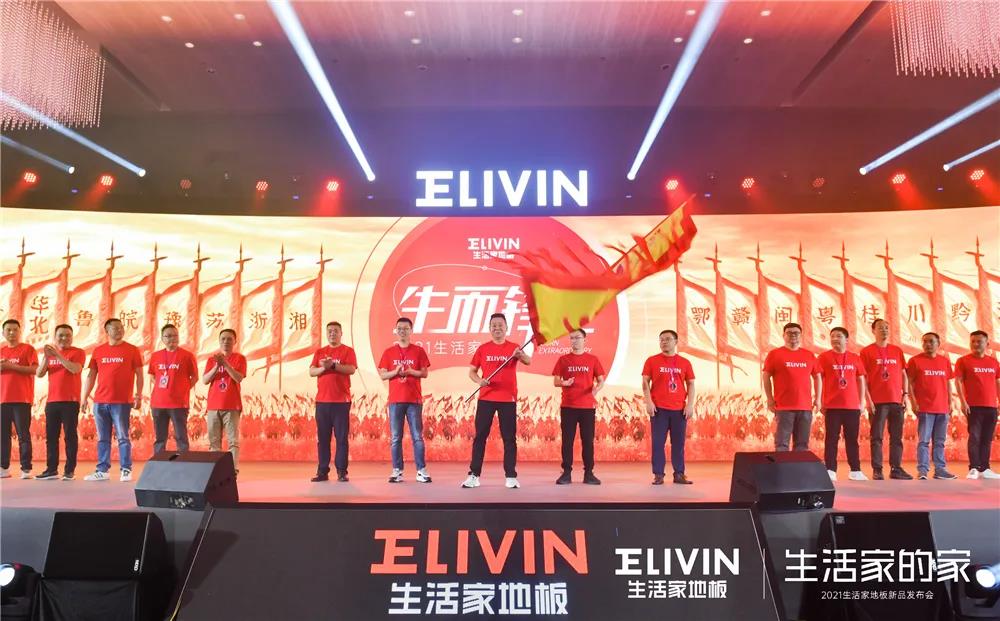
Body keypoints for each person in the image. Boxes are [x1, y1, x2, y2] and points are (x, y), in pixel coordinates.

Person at [463, 313, 531, 489]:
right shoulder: (483, 349)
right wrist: (480, 381)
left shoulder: (514, 347)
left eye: (500, 325)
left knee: (509, 438)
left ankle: (511, 476)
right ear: (489, 328)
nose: (497, 328)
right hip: (486, 398)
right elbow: (472, 372)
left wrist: (519, 355)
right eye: (494, 325)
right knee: (480, 437)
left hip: (508, 399)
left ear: (506, 328)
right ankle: (474, 475)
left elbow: (528, 361)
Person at [81, 318, 144, 482]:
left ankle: (126, 469)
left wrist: (138, 395)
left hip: (121, 402)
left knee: (123, 437)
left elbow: (139, 374)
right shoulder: (98, 351)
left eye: (121, 327)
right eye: (115, 328)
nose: (119, 330)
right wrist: (84, 397)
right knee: (103, 438)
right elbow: (91, 375)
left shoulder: (132, 350)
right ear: (107, 331)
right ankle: (102, 470)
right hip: (100, 401)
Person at [377, 317, 431, 483]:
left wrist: (410, 371)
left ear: (411, 331)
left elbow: (424, 373)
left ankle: (421, 470)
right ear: (396, 330)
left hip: (414, 400)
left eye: (405, 328)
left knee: (417, 437)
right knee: (395, 438)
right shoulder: (389, 352)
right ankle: (397, 471)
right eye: (399, 328)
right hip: (395, 400)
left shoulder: (418, 351)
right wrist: (395, 372)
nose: (402, 331)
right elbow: (383, 375)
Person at [860, 318, 912, 480]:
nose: (884, 330)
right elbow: (863, 378)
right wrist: (868, 400)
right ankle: (877, 469)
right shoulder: (866, 352)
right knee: (877, 437)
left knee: (896, 437)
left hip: (896, 400)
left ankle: (896, 468)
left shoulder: (897, 350)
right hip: (877, 402)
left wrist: (905, 395)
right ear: (873, 330)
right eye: (881, 328)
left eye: (886, 328)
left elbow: (903, 374)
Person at [552, 328, 605, 485]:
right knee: (567, 441)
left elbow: (601, 380)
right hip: (568, 406)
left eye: (577, 338)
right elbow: (556, 381)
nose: (574, 340)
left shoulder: (592, 359)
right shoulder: (563, 359)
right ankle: (566, 473)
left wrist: (595, 390)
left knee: (587, 441)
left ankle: (589, 473)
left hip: (587, 407)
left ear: (584, 340)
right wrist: (564, 382)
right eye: (572, 338)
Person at [642, 329, 695, 485]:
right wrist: (649, 402)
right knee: (658, 443)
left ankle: (679, 474)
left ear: (676, 342)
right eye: (661, 340)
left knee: (678, 444)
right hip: (659, 409)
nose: (664, 342)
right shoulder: (652, 361)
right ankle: (658, 474)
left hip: (679, 410)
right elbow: (645, 382)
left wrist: (690, 405)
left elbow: (691, 384)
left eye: (667, 339)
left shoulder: (685, 362)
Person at [35, 324, 85, 480]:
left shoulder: (78, 352)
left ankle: (69, 470)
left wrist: (57, 355)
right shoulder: (50, 355)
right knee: (51, 437)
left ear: (72, 337)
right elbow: (39, 373)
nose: (64, 338)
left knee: (70, 436)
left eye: (68, 335)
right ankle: (51, 469)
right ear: (55, 337)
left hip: (70, 401)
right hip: (52, 402)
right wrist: (46, 357)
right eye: (61, 335)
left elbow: (74, 369)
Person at [817, 327, 867, 481]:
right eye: (832, 336)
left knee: (852, 439)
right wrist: (820, 401)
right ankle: (830, 469)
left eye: (838, 336)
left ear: (846, 340)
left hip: (852, 406)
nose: (835, 339)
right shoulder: (823, 357)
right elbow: (819, 379)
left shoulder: (855, 357)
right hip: (832, 406)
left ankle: (855, 470)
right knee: (831, 439)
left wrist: (862, 401)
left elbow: (861, 379)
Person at [309, 321, 357, 482]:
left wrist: (333, 366)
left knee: (341, 438)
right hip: (322, 402)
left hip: (341, 402)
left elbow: (351, 369)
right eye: (329, 331)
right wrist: (325, 367)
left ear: (341, 333)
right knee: (323, 439)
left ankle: (342, 471)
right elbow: (312, 371)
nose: (332, 333)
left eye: (336, 331)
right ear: (326, 333)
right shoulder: (320, 352)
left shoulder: (348, 351)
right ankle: (322, 471)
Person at [906, 332, 957, 480]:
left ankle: (940, 470)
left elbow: (948, 383)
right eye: (925, 342)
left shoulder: (944, 361)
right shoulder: (915, 361)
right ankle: (922, 470)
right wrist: (913, 402)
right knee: (924, 441)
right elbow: (909, 383)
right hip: (925, 408)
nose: (927, 344)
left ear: (938, 344)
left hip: (942, 408)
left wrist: (950, 402)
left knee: (939, 442)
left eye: (931, 341)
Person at [763, 322, 820, 452]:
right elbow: (766, 376)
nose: (793, 335)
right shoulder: (775, 354)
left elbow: (817, 377)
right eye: (789, 333)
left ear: (801, 335)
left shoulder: (809, 355)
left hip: (805, 407)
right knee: (782, 445)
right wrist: (770, 399)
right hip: (784, 407)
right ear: (783, 335)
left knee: (802, 446)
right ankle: (782, 466)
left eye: (796, 333)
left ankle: (798, 466)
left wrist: (818, 399)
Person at [954, 330, 1000, 480]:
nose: (975, 344)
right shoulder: (963, 361)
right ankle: (973, 468)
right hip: (973, 406)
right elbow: (958, 381)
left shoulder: (993, 362)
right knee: (975, 437)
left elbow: (997, 382)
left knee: (987, 438)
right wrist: (963, 402)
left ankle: (985, 468)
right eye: (972, 341)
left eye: (979, 341)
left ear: (987, 344)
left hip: (991, 407)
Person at [147, 324, 198, 456]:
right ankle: (159, 461)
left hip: (178, 403)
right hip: (158, 403)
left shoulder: (187, 356)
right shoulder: (156, 356)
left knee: (181, 436)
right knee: (160, 437)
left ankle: (183, 461)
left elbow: (194, 377)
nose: (172, 338)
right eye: (168, 336)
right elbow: (152, 376)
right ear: (162, 338)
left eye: (175, 335)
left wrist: (182, 388)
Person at [202, 329, 247, 474]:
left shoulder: (240, 358)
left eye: (229, 339)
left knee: (233, 441)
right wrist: (217, 366)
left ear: (235, 341)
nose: (226, 341)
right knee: (214, 441)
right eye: (223, 339)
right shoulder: (212, 360)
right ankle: (215, 471)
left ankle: (232, 471)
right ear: (219, 341)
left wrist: (225, 364)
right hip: (213, 406)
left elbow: (238, 378)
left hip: (232, 405)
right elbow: (205, 380)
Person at [0, 319, 38, 479]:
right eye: (8, 330)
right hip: (2, 400)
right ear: (3, 333)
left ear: (20, 331)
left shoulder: (28, 349)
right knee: (2, 436)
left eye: (15, 329)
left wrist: (11, 366)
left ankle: (26, 468)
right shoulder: (1, 350)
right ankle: (3, 467)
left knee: (23, 435)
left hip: (22, 399)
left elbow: (35, 369)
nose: (12, 332)